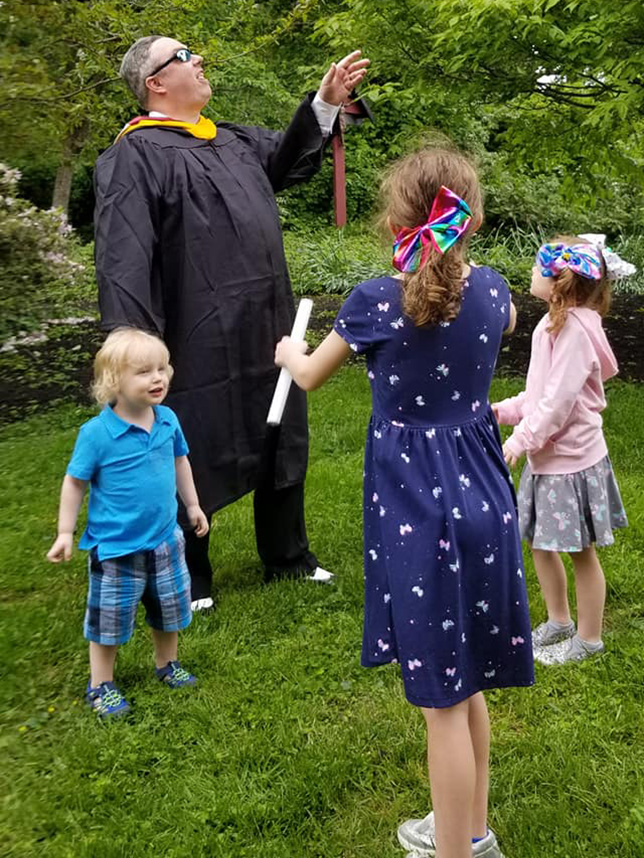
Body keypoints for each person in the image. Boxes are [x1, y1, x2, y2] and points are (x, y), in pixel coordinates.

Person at [275, 148, 534, 858]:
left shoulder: (373, 302)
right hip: (487, 499)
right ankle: (471, 834)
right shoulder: (498, 295)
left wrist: (284, 353)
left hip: (422, 511)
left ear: (396, 217)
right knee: (467, 678)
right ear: (469, 219)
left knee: (441, 703)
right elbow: (497, 320)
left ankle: (453, 852)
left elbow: (308, 378)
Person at [94, 36, 369, 610]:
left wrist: (323, 103)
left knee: (280, 431)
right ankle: (190, 576)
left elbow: (287, 160)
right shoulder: (133, 156)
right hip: (196, 328)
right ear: (156, 84)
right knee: (190, 436)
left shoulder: (232, 139)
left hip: (265, 319)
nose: (198, 61)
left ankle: (288, 556)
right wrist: (135, 344)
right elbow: (123, 255)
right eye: (183, 55)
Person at [47, 328, 209, 719]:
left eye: (162, 368)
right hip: (117, 548)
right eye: (144, 372)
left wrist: (193, 505)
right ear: (113, 382)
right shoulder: (97, 434)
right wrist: (66, 532)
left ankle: (165, 663)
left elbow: (180, 462)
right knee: (109, 620)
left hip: (165, 541)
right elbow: (75, 482)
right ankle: (100, 684)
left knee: (169, 609)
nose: (158, 378)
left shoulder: (167, 420)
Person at [492, 236, 630, 666]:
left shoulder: (574, 333)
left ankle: (589, 640)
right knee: (540, 544)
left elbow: (556, 406)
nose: (530, 273)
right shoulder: (554, 323)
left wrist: (519, 440)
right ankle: (559, 621)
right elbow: (540, 394)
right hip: (549, 458)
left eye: (537, 267)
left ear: (559, 282)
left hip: (570, 463)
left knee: (580, 552)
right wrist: (504, 411)